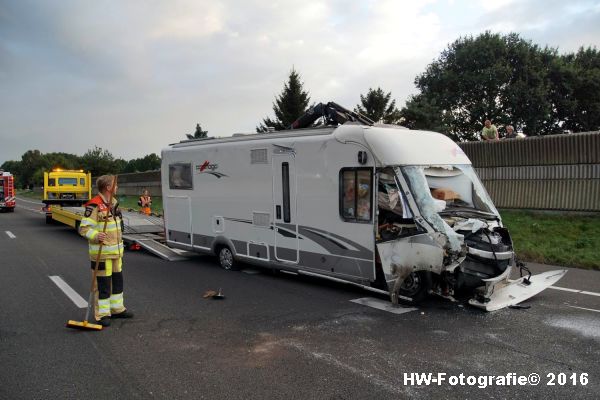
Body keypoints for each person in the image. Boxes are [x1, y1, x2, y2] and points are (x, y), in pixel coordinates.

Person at [79, 175, 133, 327]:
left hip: (116, 253)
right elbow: (83, 229)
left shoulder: (114, 204)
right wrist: (96, 235)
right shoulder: (94, 205)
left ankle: (117, 309)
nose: (117, 188)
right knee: (103, 284)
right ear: (108, 187)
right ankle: (102, 314)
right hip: (101, 254)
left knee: (117, 282)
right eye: (115, 185)